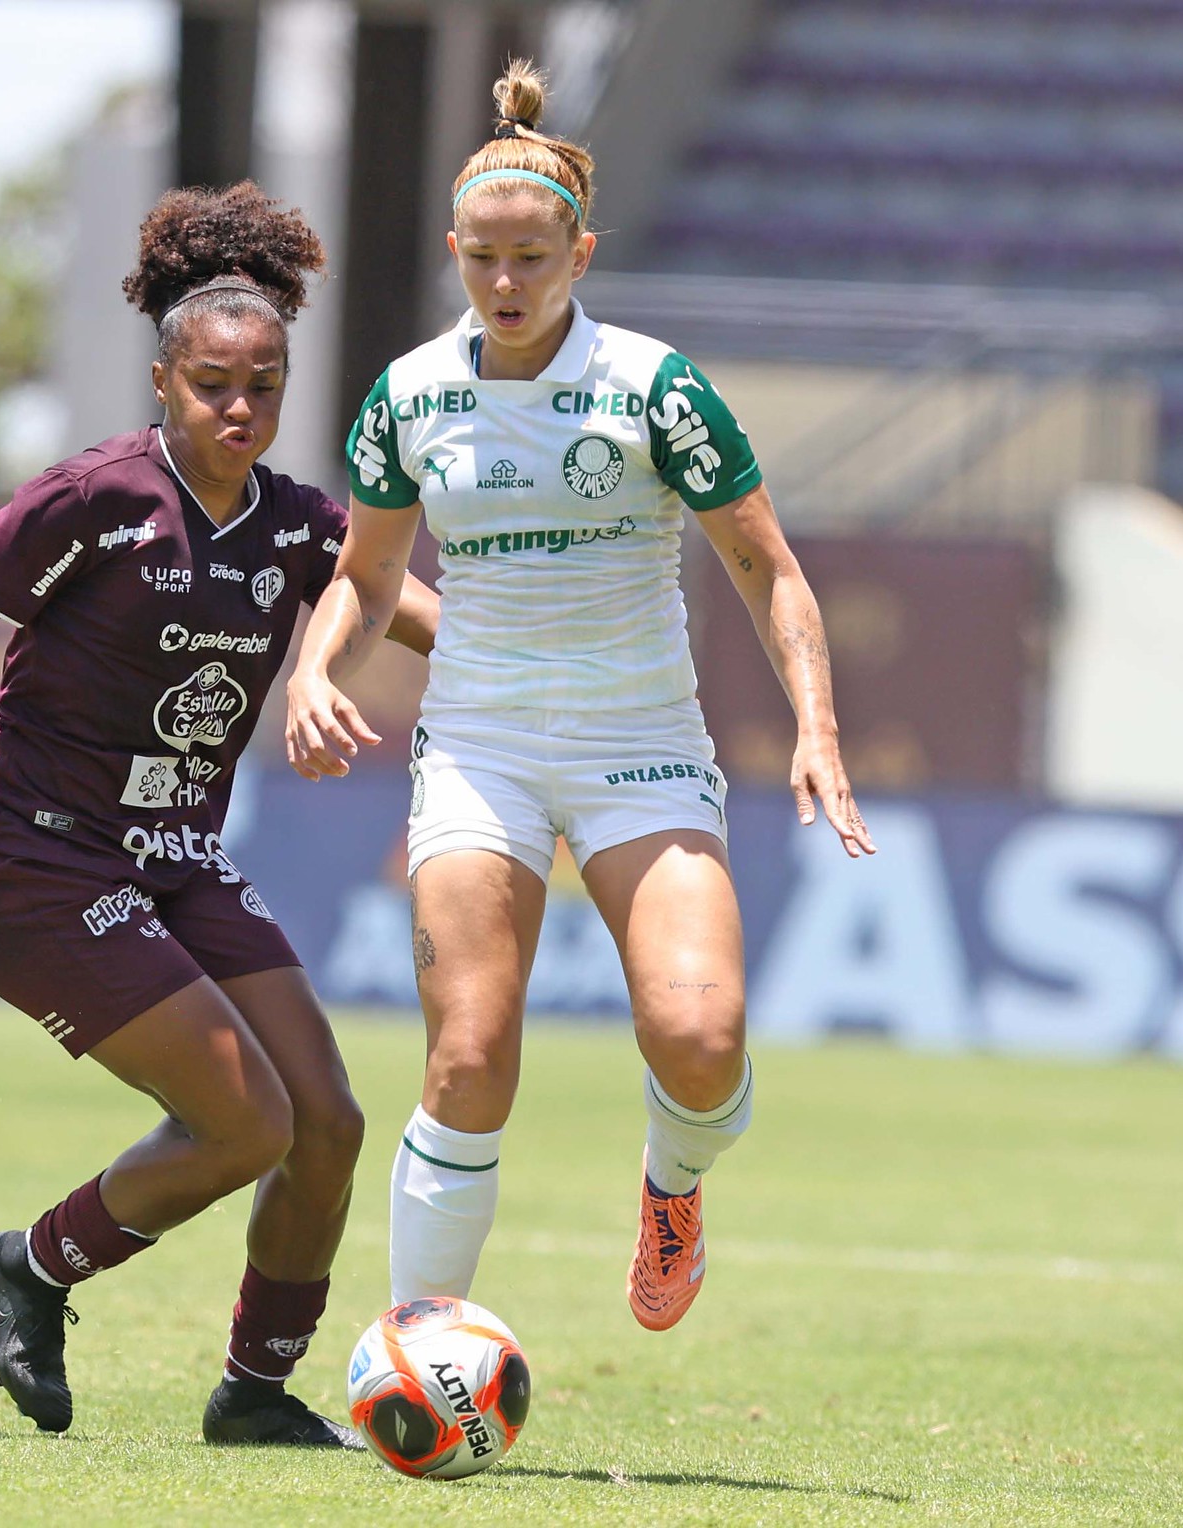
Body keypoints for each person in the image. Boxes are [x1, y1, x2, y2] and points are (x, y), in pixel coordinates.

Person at [285, 61, 874, 1333]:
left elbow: (767, 567)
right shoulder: (406, 397)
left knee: (700, 1037)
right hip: (480, 746)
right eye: (483, 258)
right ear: (453, 251)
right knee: (466, 1052)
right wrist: (312, 669)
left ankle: (674, 1187)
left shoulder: (655, 389)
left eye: (533, 258)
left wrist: (817, 728)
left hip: (640, 746)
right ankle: (416, 1343)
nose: (505, 284)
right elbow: (366, 576)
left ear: (580, 251)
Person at [0, 182, 438, 1442]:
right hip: (34, 869)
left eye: (264, 389)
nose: (240, 411)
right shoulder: (96, 499)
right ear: (164, 381)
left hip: (171, 862)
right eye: (212, 387)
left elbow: (417, 616)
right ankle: (30, 1264)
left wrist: (547, 675)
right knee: (247, 1120)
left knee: (328, 1124)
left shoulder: (293, 526)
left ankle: (253, 1393)